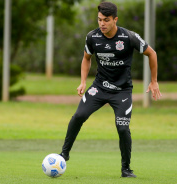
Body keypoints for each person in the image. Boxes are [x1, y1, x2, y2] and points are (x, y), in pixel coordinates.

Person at [59, 1, 162, 178]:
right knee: (78, 116)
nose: (102, 24)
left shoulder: (129, 37)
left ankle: (126, 169)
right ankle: (63, 155)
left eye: (106, 20)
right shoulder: (92, 37)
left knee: (122, 128)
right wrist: (83, 82)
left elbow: (152, 53)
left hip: (121, 91)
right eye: (99, 20)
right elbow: (86, 58)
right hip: (99, 88)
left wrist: (154, 81)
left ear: (115, 20)